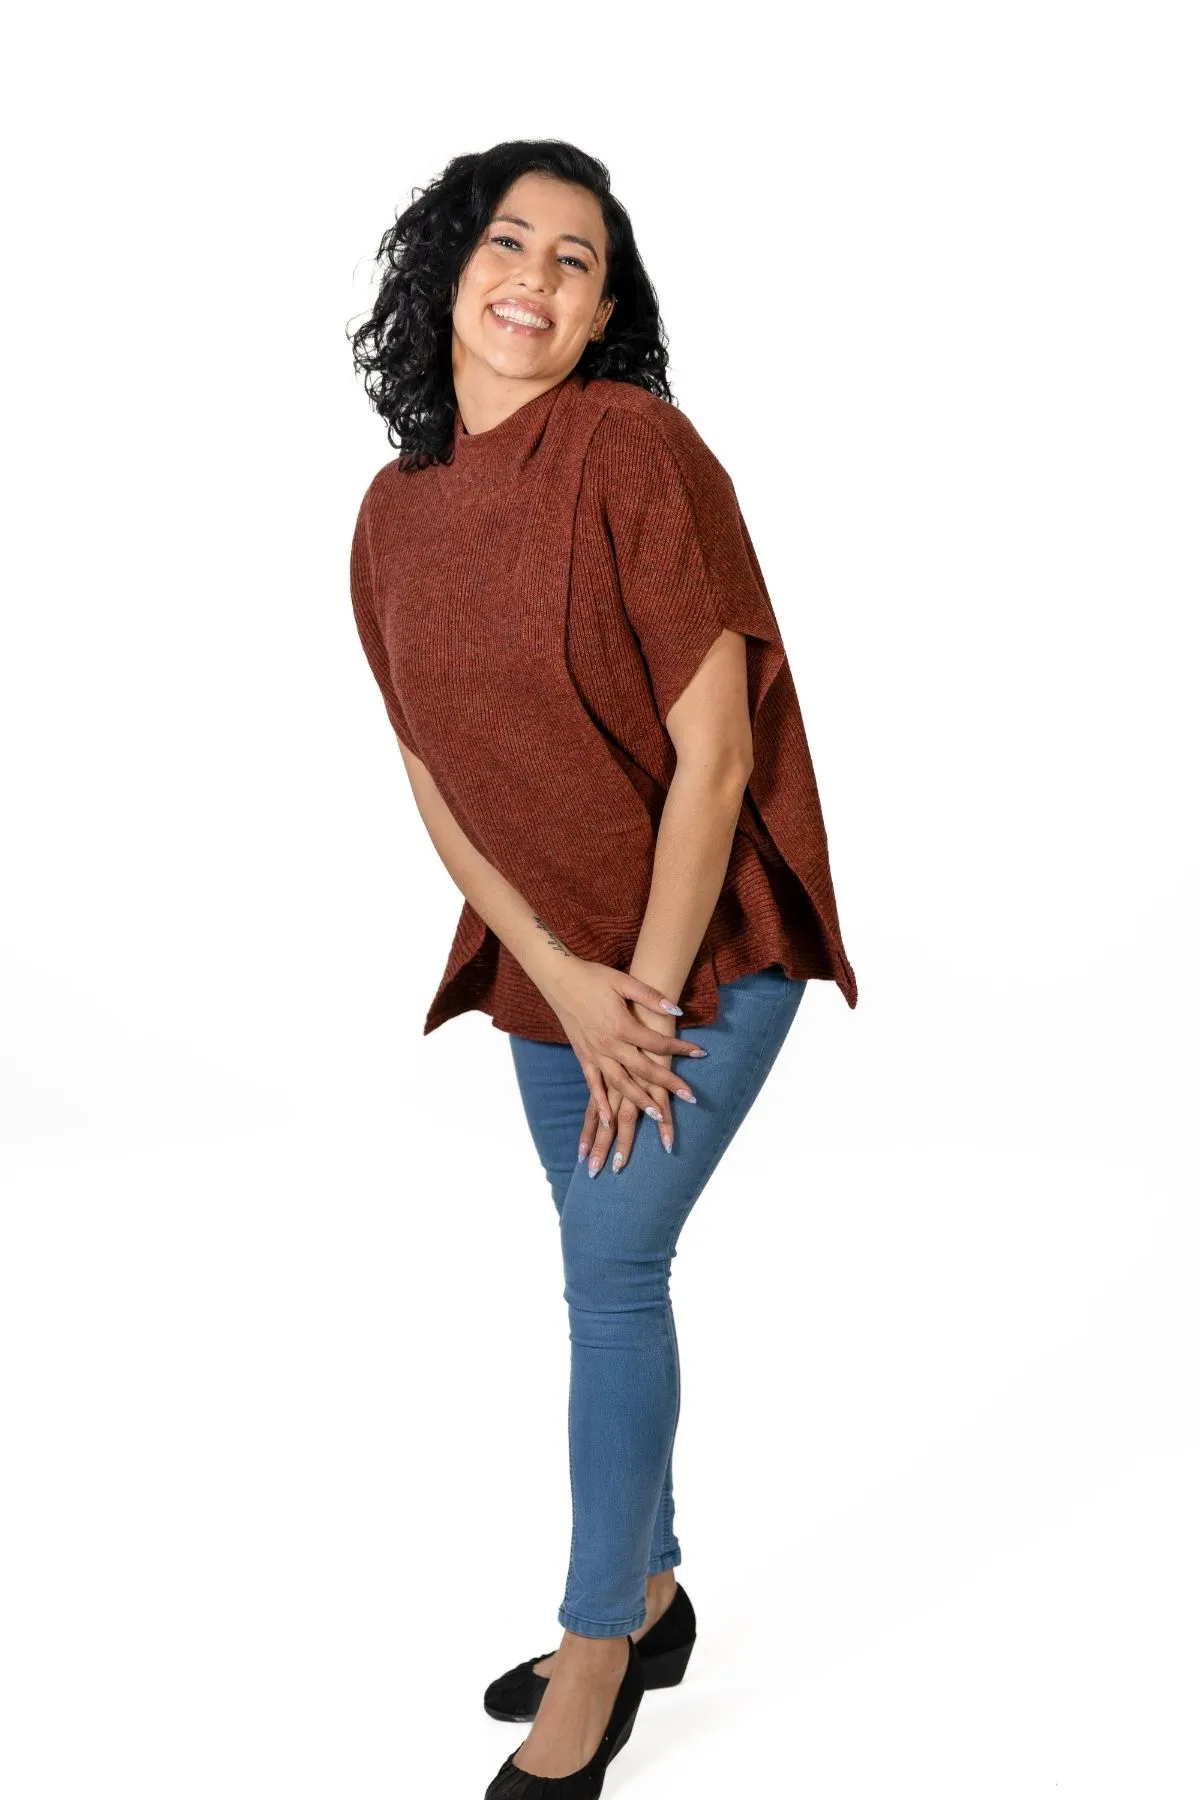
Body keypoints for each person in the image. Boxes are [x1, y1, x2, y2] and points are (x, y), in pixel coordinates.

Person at [347, 138, 858, 1799]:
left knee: (611, 1267)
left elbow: (718, 758)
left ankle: (595, 1656)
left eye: (578, 260)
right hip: (547, 973)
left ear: (603, 309)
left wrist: (636, 989)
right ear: (448, 270)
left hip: (711, 948)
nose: (537, 278)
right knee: (605, 1270)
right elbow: (432, 777)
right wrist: (564, 979)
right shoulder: (390, 515)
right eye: (510, 242)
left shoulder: (633, 448)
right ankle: (650, 1589)